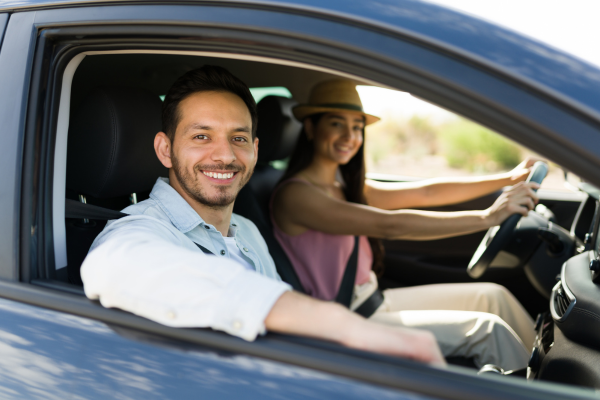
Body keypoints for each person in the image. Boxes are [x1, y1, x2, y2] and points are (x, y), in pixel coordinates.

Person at [81, 65, 446, 367]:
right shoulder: (138, 230)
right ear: (165, 149)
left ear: (255, 150)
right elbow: (115, 263)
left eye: (238, 138)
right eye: (201, 137)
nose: (224, 156)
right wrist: (344, 326)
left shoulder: (248, 231)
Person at [270, 79, 541, 370]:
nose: (349, 136)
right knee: (487, 330)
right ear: (310, 128)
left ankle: (554, 378)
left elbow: (427, 192)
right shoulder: (295, 195)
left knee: (493, 296)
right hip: (347, 317)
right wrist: (488, 218)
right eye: (336, 124)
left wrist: (507, 179)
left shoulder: (343, 185)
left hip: (373, 300)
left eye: (357, 127)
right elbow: (390, 225)